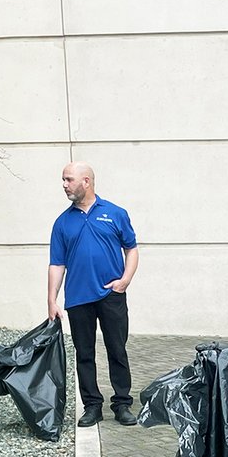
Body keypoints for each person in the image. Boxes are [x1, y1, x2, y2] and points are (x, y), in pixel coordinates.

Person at [47, 163, 139, 427]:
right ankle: (92, 406)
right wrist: (52, 300)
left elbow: (131, 248)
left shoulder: (115, 213)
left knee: (117, 350)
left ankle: (122, 404)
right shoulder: (62, 222)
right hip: (78, 298)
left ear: (86, 181)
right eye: (63, 180)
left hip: (111, 295)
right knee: (84, 353)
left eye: (69, 179)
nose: (64, 184)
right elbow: (57, 263)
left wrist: (125, 280)